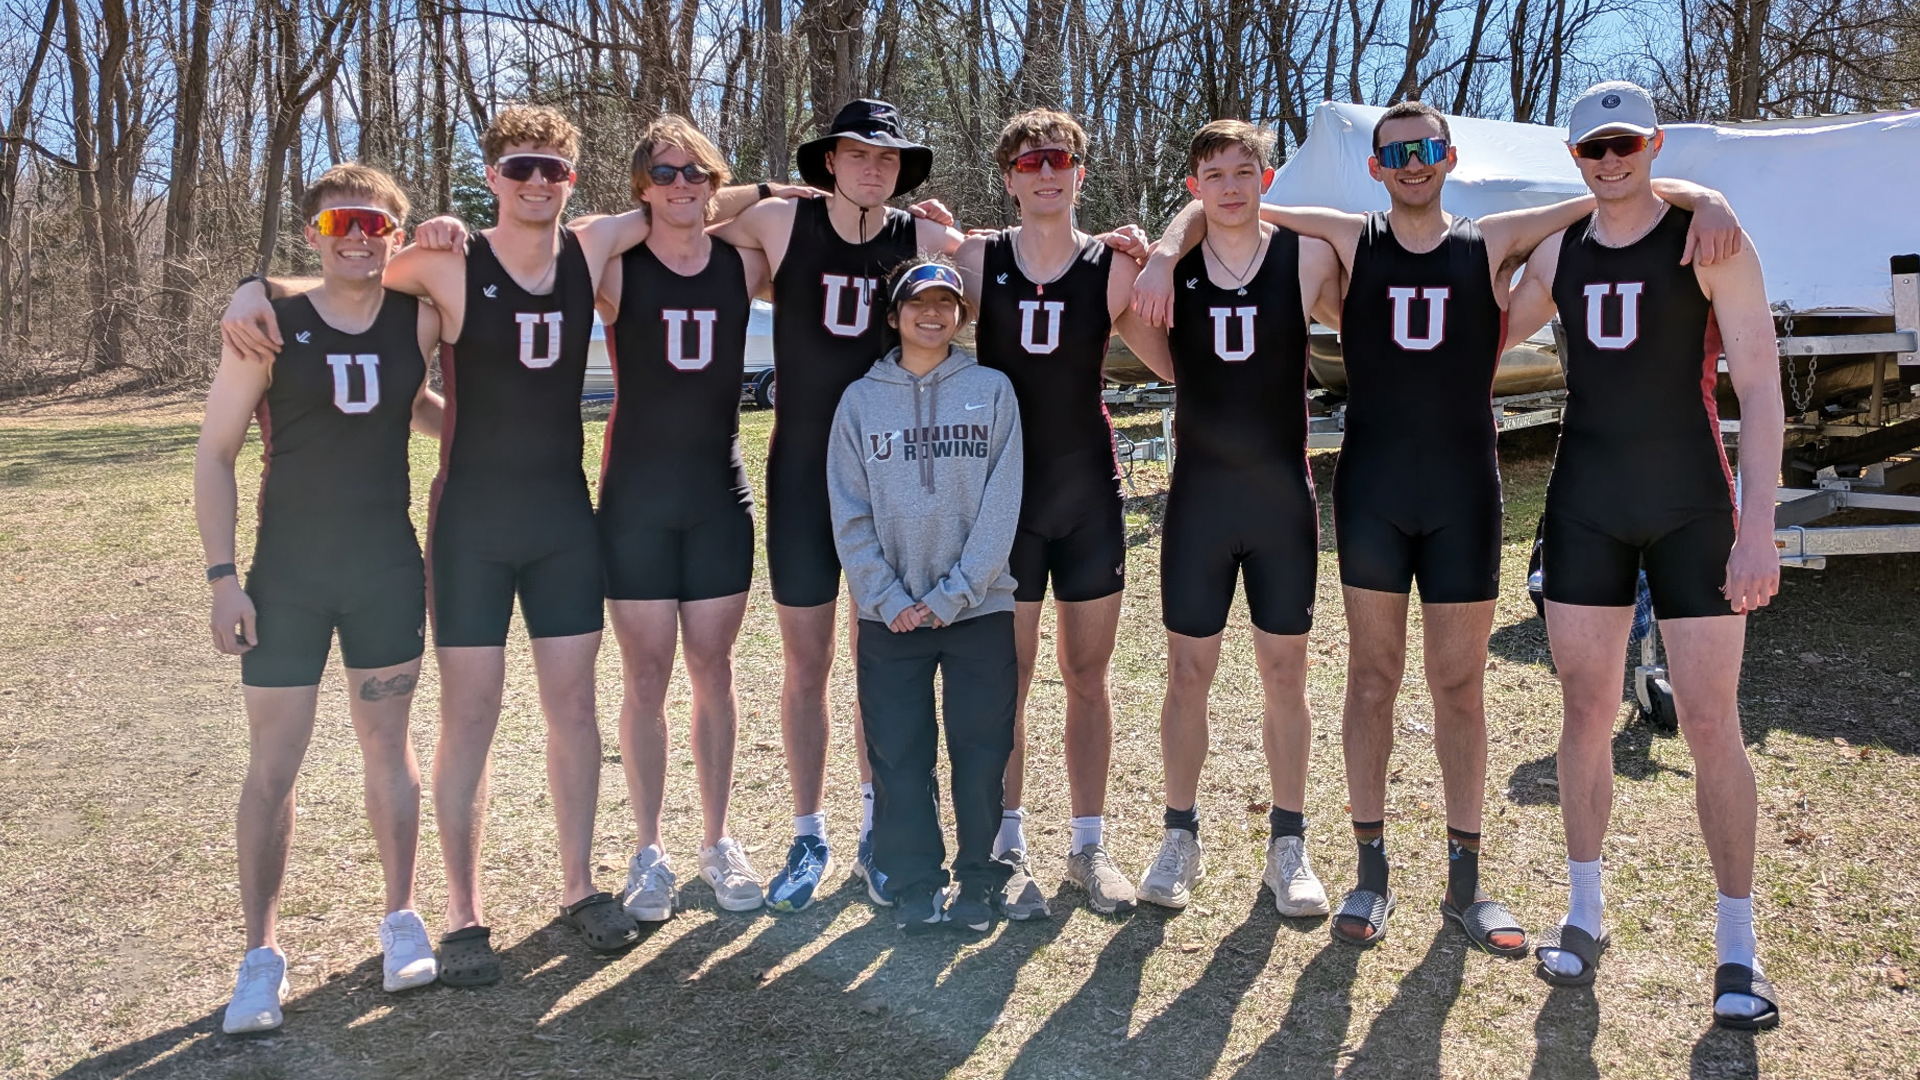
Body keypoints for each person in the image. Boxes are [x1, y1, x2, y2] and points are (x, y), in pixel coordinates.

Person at [1135, 100, 1740, 953]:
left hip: (1464, 495)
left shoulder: (1492, 240)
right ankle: (1370, 872)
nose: (1412, 163)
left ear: (1450, 157)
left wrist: (1703, 197)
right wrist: (1165, 250)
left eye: (1425, 149)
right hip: (1375, 494)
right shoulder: (1350, 239)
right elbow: (1226, 205)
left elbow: (1608, 191)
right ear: (1375, 168)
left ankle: (1466, 882)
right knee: (1371, 680)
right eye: (1395, 154)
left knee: (1459, 686)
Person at [217, 105, 776, 979]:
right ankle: (464, 914)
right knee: (470, 715)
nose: (537, 182)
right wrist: (254, 287)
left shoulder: (592, 245)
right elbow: (347, 272)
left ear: (573, 180)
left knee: (574, 709)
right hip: (471, 523)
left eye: (553, 168)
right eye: (521, 168)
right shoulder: (448, 259)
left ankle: (579, 888)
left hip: (562, 520)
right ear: (493, 177)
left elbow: (691, 202)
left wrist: (776, 187)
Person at [1505, 81, 1783, 1029]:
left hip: (1691, 505)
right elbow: (1482, 324)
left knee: (1709, 722)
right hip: (1587, 504)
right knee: (1586, 712)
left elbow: (1760, 387)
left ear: (1655, 143)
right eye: (1594, 148)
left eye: (1625, 143)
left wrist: (1757, 528)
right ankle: (1583, 914)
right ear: (1574, 159)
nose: (1611, 160)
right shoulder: (1560, 250)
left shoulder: (1711, 240)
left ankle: (1738, 947)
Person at [195, 164, 444, 1032]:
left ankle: (401, 918)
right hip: (288, 575)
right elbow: (215, 452)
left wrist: (484, 431)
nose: (358, 237)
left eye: (376, 225)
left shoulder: (420, 320)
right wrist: (222, 578)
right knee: (274, 763)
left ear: (395, 236)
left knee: (389, 748)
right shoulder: (266, 326)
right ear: (313, 234)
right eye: (341, 223)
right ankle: (260, 956)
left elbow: (414, 402)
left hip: (385, 568)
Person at [713, 99, 968, 910]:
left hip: (888, 477)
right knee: (807, 662)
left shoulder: (921, 238)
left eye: (887, 158)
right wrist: (774, 188)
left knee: (880, 659)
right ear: (829, 160)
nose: (872, 168)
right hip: (800, 473)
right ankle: (807, 831)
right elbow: (684, 212)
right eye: (857, 153)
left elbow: (1002, 256)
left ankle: (876, 826)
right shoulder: (782, 223)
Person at [952, 109, 1169, 918]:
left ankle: (1088, 846)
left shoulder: (1113, 268)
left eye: (1060, 159)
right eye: (1030, 161)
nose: (1046, 172)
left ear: (1080, 173)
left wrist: (1164, 256)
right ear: (1009, 179)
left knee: (1087, 676)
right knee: (1006, 677)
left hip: (1087, 497)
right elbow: (910, 299)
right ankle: (1006, 843)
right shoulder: (977, 260)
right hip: (1003, 501)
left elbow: (1177, 360)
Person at [1128, 120, 1341, 917]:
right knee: (1188, 675)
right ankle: (1179, 834)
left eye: (1243, 171)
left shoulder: (1305, 258)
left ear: (1266, 179)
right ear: (1193, 186)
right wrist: (1160, 254)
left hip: (1281, 497)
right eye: (1213, 174)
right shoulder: (1173, 269)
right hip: (1200, 499)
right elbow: (1137, 328)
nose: (1228, 187)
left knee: (1286, 675)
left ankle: (1289, 843)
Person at [594, 116, 774, 920]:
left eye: (696, 173)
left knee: (713, 670)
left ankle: (718, 839)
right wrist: (658, 210)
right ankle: (648, 851)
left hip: (717, 496)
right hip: (635, 499)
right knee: (645, 677)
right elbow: (571, 237)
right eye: (663, 174)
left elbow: (810, 230)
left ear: (715, 182)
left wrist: (758, 191)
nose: (681, 186)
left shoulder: (744, 262)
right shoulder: (616, 267)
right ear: (641, 186)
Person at [826, 257, 1024, 933]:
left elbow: (1003, 502)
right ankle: (913, 882)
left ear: (962, 315)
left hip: (979, 608)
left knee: (981, 749)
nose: (932, 314)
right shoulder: (860, 402)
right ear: (894, 316)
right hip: (891, 616)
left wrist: (955, 594)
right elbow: (849, 511)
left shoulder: (991, 390)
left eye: (946, 302)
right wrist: (886, 597)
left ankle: (978, 880)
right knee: (899, 754)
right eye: (918, 303)